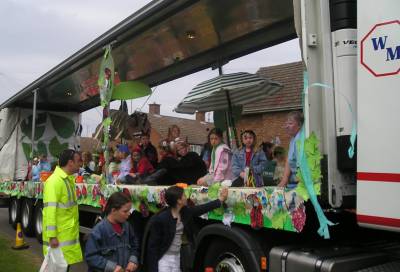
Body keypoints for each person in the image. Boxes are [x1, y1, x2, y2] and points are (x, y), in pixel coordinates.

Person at [147, 185, 229, 272]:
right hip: (164, 258)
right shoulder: (161, 219)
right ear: (179, 201)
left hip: (176, 257)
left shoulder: (184, 212)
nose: (186, 197)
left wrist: (220, 200)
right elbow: (153, 247)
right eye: (184, 196)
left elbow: (201, 209)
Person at [42, 149, 83, 268]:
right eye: (78, 161)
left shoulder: (67, 180)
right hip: (59, 240)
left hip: (65, 237)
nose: (80, 164)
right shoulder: (55, 182)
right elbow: (50, 211)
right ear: (70, 162)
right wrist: (52, 236)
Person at [85, 192, 140, 272]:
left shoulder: (127, 226)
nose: (129, 214)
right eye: (125, 211)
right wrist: (111, 267)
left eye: (129, 210)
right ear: (113, 210)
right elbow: (91, 257)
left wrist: (133, 260)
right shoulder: (99, 230)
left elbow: (135, 245)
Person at [278, 111, 304, 189]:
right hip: (293, 183)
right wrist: (284, 180)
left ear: (299, 125)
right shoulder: (293, 139)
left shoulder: (300, 140)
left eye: (290, 123)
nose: (286, 126)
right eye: (286, 123)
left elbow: (302, 167)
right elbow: (289, 161)